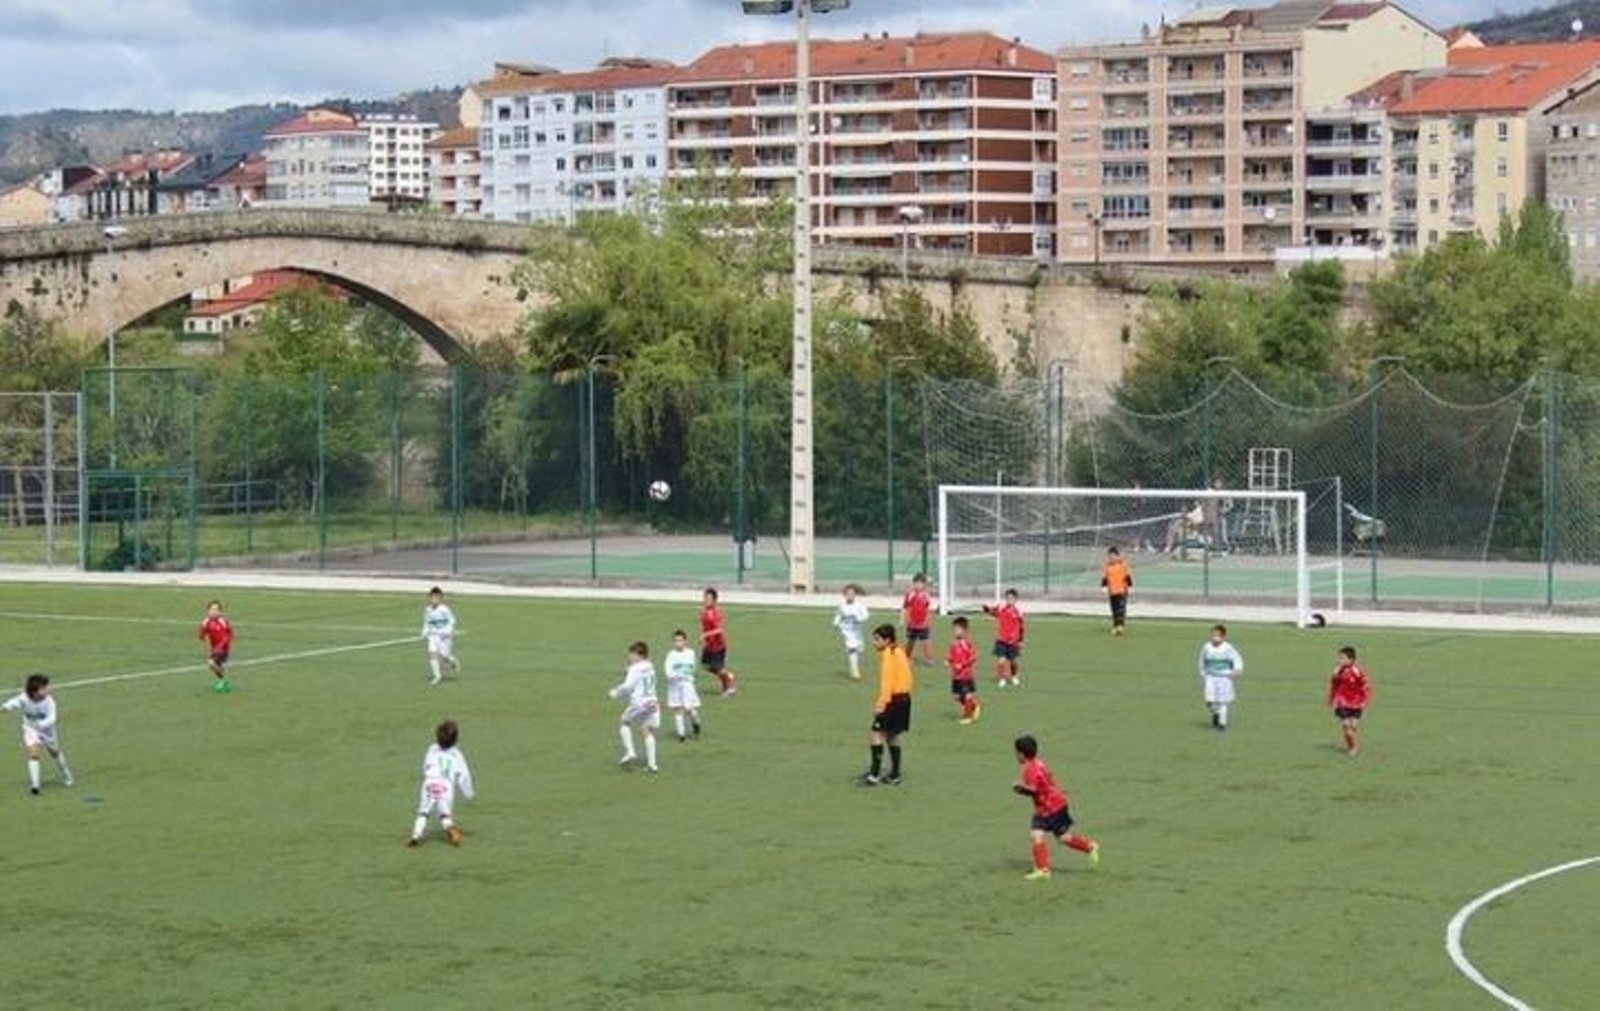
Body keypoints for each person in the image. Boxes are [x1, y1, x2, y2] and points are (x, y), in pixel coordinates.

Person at [1013, 734, 1099, 881]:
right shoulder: (1038, 763)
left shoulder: (1029, 769)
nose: (1015, 755)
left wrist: (1019, 788)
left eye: (1016, 752)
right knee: (1050, 836)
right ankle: (1087, 848)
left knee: (1049, 836)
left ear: (1021, 754)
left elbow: (1034, 790)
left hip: (1050, 807)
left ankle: (1044, 869)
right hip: (1053, 804)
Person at [407, 719, 475, 847]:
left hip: (430, 783)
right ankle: (451, 829)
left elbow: (426, 766)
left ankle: (415, 835)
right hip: (446, 786)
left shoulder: (432, 749)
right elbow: (464, 776)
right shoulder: (457, 755)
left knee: (423, 812)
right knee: (444, 814)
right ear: (455, 740)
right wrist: (468, 793)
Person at [860, 624, 913, 786]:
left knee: (875, 734)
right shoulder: (899, 651)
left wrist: (881, 704)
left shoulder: (888, 655)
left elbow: (887, 683)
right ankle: (895, 774)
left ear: (887, 640)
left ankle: (874, 774)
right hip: (905, 699)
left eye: (877, 640)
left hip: (893, 700)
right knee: (892, 736)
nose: (874, 643)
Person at [3, 674, 73, 796]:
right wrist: (3, 707)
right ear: (34, 692)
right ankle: (35, 785)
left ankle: (66, 774)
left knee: (55, 752)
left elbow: (52, 718)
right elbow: (11, 704)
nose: (47, 690)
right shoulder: (23, 699)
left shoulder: (49, 701)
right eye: (44, 688)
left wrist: (41, 725)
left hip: (47, 731)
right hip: (30, 730)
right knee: (33, 754)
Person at [610, 641, 660, 772]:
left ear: (639, 655)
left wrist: (615, 692)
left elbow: (628, 686)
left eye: (631, 655)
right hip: (652, 702)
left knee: (624, 722)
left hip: (639, 702)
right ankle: (652, 765)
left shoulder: (634, 668)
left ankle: (630, 752)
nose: (629, 657)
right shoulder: (650, 665)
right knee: (647, 730)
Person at [1327, 646, 1372, 757]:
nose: (1340, 660)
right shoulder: (1339, 670)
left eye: (1343, 658)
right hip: (1342, 702)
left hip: (1356, 703)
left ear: (1351, 660)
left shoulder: (1358, 671)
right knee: (1347, 727)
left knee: (1353, 727)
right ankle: (1353, 748)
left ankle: (1351, 744)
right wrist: (1334, 675)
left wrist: (1365, 700)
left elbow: (1365, 685)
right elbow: (1334, 683)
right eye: (1339, 658)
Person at [1198, 623, 1243, 731]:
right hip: (1211, 677)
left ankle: (1222, 724)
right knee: (1209, 701)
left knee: (1223, 702)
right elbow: (1201, 661)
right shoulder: (1206, 647)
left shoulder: (1228, 648)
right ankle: (1216, 713)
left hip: (1224, 678)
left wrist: (1237, 669)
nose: (1215, 637)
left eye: (1217, 635)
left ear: (1223, 637)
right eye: (1213, 635)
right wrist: (1203, 673)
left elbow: (1237, 659)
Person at [982, 588, 1025, 688]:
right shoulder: (1001, 609)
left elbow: (1022, 627)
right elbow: (991, 612)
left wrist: (1021, 640)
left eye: (1012, 598)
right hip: (1001, 640)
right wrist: (986, 609)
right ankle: (1002, 678)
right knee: (1001, 661)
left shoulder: (1018, 612)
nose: (1010, 600)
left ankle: (1014, 676)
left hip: (1013, 642)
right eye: (1008, 598)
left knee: (1013, 661)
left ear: (1016, 599)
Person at [665, 630, 702, 743]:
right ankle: (681, 737)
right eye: (676, 640)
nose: (678, 643)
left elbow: (690, 669)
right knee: (677, 710)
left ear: (685, 641)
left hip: (687, 685)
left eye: (680, 640)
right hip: (674, 686)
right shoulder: (670, 655)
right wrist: (676, 674)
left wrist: (678, 673)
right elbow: (668, 672)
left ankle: (696, 722)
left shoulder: (690, 653)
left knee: (689, 709)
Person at [700, 587, 737, 697]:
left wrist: (704, 635)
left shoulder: (713, 613)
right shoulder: (706, 611)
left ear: (714, 600)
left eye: (709, 598)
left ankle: (728, 685)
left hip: (717, 646)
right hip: (709, 645)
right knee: (705, 666)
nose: (706, 600)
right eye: (705, 598)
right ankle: (727, 680)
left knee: (718, 669)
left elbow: (719, 629)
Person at [421, 586, 460, 686]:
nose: (434, 600)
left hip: (444, 637)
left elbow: (452, 620)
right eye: (432, 597)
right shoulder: (428, 610)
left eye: (436, 598)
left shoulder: (444, 609)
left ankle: (452, 661)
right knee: (432, 654)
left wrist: (447, 631)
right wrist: (424, 632)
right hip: (433, 636)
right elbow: (426, 622)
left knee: (444, 656)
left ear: (440, 598)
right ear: (429, 598)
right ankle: (437, 676)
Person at [833, 583, 870, 681]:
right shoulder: (842, 605)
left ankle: (855, 664)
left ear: (855, 595)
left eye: (852, 594)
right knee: (852, 648)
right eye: (848, 594)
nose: (850, 596)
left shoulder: (859, 605)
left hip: (857, 631)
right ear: (845, 595)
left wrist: (859, 619)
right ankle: (855, 671)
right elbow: (838, 615)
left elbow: (866, 615)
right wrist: (836, 623)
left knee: (860, 649)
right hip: (846, 631)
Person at [197, 599, 234, 694]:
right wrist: (203, 635)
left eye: (216, 610)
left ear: (220, 612)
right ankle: (224, 682)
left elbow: (230, 635)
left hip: (223, 648)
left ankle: (222, 681)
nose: (214, 612)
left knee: (211, 663)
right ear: (208, 611)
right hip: (213, 649)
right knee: (217, 665)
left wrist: (221, 646)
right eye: (212, 609)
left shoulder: (223, 621)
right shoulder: (205, 622)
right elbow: (201, 636)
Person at [948, 616, 980, 725]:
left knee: (967, 695)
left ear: (964, 630)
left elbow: (973, 657)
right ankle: (974, 706)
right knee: (957, 696)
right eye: (954, 629)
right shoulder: (953, 643)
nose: (955, 631)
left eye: (958, 629)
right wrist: (948, 661)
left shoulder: (967, 643)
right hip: (955, 675)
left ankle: (968, 717)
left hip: (966, 675)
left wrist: (962, 665)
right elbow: (951, 656)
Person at [902, 573, 935, 667]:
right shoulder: (909, 595)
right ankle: (907, 658)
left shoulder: (926, 595)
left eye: (920, 583)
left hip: (923, 624)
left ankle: (929, 658)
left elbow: (929, 609)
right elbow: (906, 608)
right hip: (912, 623)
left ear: (924, 585)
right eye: (915, 583)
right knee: (910, 642)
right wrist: (904, 620)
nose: (917, 585)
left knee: (926, 641)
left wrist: (928, 620)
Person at [1101, 547, 1133, 636]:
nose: (1111, 558)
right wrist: (1103, 587)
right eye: (1109, 556)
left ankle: (1120, 626)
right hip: (1112, 591)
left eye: (1112, 556)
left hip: (1122, 590)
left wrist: (1130, 586)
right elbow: (1105, 577)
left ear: (1117, 555)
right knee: (1114, 610)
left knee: (1121, 609)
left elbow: (1127, 576)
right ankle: (1115, 626)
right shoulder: (1107, 565)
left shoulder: (1123, 564)